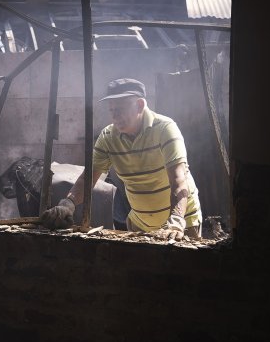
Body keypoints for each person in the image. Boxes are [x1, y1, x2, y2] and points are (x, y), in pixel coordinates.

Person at [39, 78, 202, 238]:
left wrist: (176, 220)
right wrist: (68, 204)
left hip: (182, 223)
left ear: (140, 105)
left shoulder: (165, 129)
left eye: (121, 109)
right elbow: (88, 179)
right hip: (141, 224)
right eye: (112, 110)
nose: (115, 116)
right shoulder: (108, 137)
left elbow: (178, 181)